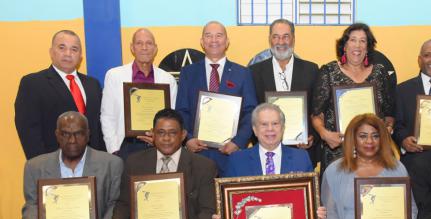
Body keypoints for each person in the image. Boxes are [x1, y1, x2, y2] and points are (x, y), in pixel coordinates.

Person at [112, 109, 218, 219]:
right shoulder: (134, 162)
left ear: (183, 135)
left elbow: (208, 212)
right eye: (161, 132)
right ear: (152, 134)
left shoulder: (204, 166)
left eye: (172, 133)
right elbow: (124, 202)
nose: (166, 138)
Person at [22, 111, 122, 219]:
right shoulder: (35, 166)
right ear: (57, 135)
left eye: (78, 133)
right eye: (65, 134)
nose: (72, 140)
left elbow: (116, 201)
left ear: (88, 135)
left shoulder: (112, 164)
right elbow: (31, 203)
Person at [322, 114, 416, 219]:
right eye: (363, 136)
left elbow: (410, 208)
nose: (369, 141)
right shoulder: (334, 171)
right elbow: (329, 214)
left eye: (375, 136)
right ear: (353, 139)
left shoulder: (397, 168)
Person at [175, 21, 258, 175]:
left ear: (227, 42)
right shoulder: (188, 72)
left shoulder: (243, 73)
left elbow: (250, 111)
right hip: (197, 154)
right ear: (202, 42)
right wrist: (188, 139)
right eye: (208, 36)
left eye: (219, 36)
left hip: (231, 154)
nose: (214, 40)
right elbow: (182, 110)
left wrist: (238, 142)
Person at [312, 23, 395, 171]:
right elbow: (317, 113)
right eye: (353, 40)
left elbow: (389, 113)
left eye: (363, 41)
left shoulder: (379, 73)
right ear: (344, 46)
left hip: (374, 150)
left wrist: (387, 129)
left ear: (368, 48)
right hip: (338, 152)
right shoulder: (329, 71)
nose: (357, 45)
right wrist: (325, 135)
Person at [15, 30, 105, 159]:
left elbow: (99, 127)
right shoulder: (33, 83)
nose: (68, 54)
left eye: (74, 49)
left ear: (80, 56)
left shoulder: (93, 85)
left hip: (93, 164)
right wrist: (42, 165)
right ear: (51, 52)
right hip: (54, 164)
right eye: (62, 48)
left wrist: (102, 160)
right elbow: (28, 130)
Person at [249, 18, 320, 166]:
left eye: (286, 36)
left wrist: (311, 135)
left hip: (301, 152)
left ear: (293, 39)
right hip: (265, 151)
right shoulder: (254, 72)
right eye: (276, 36)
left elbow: (317, 109)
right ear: (270, 39)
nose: (281, 42)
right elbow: (251, 110)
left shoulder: (311, 70)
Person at [100, 28, 177, 160]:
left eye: (149, 43)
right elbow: (107, 116)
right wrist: (114, 150)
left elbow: (172, 116)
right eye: (139, 43)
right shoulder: (114, 75)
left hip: (158, 147)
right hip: (125, 147)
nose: (144, 47)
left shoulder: (168, 79)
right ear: (132, 47)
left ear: (155, 48)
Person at [225, 103, 313, 177]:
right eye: (264, 124)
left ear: (283, 128)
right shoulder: (237, 160)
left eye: (275, 123)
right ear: (255, 130)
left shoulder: (301, 158)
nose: (270, 129)